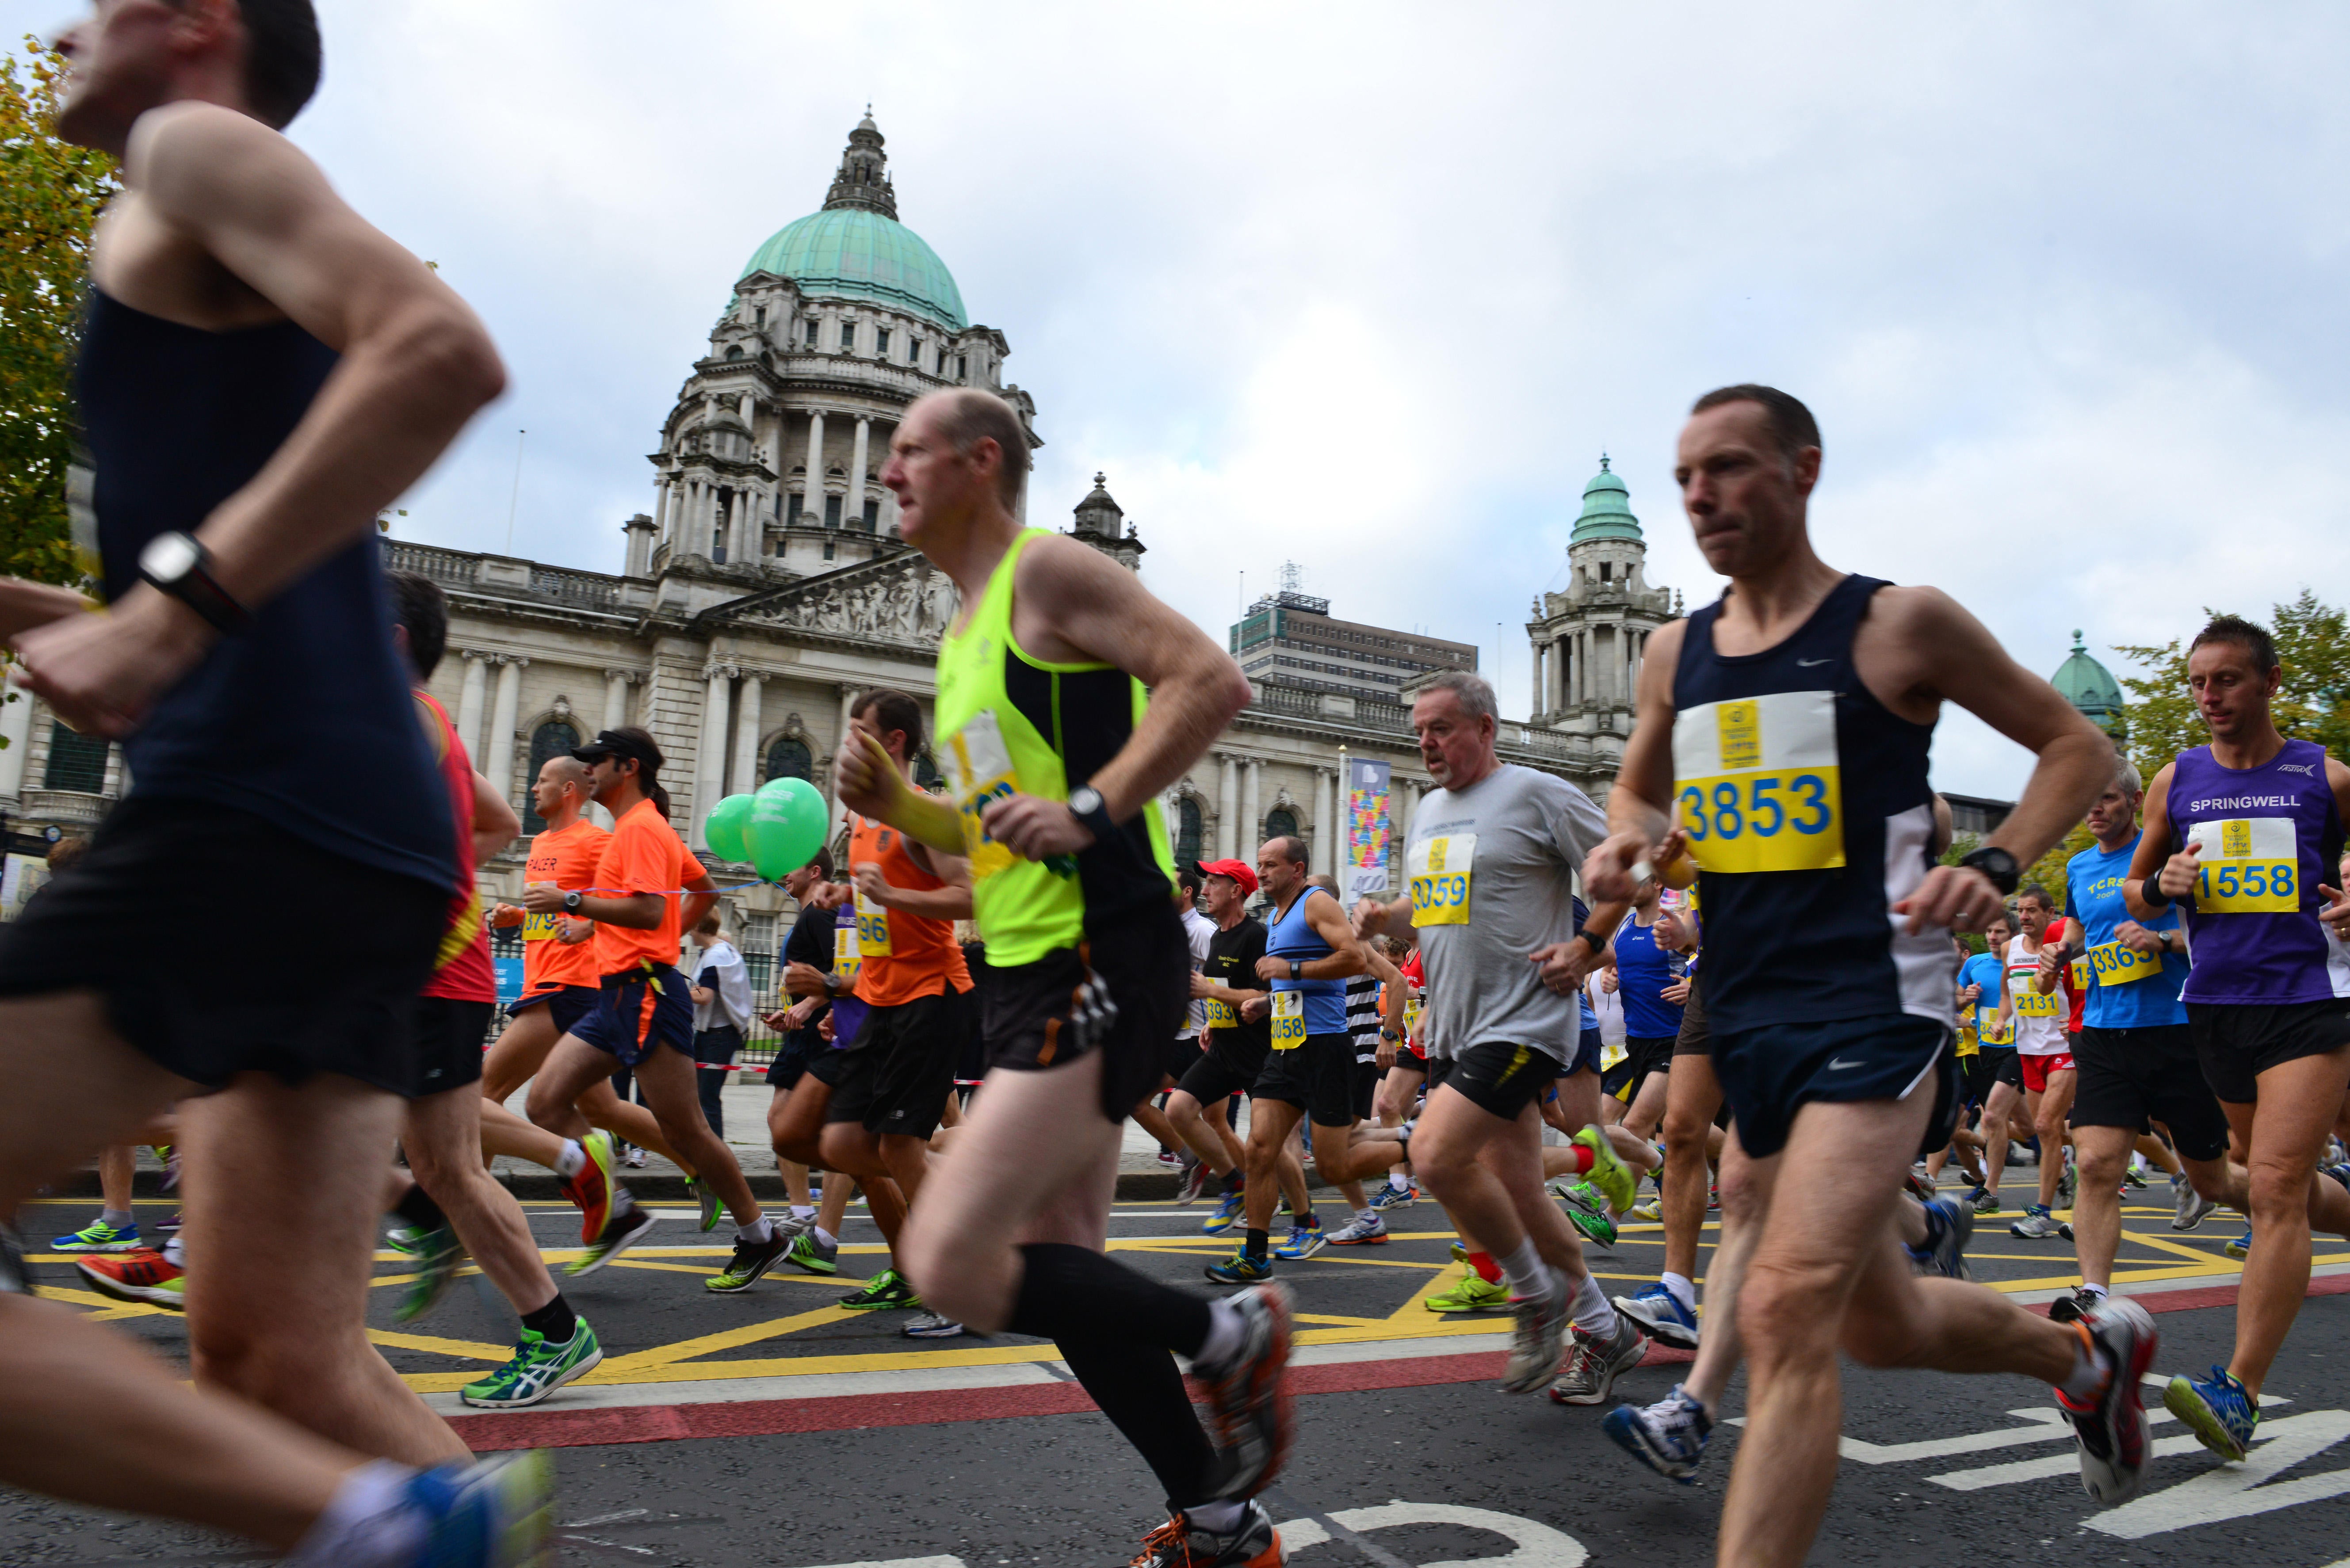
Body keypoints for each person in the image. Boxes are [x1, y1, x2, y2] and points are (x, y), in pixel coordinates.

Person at [0, 0, 548, 1556]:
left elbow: (441, 350)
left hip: (262, 808)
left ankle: (389, 1533)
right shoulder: (169, 215)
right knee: (281, 1357)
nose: (56, 31)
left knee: (286, 1380)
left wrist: (171, 615)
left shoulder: (194, 146)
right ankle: (440, 1525)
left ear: (197, 27)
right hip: (345, 827)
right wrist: (94, 621)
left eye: (99, 7)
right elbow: (234, 578)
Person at [1583, 385, 2155, 1562]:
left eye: (1729, 467)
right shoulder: (1671, 651)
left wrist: (1996, 858)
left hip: (1875, 1002)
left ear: (1803, 470)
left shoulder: (1897, 624)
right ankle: (2080, 1354)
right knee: (1878, 1323)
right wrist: (1627, 835)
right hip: (1741, 1003)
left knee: (1786, 1304)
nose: (1701, 495)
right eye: (1685, 476)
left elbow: (2077, 745)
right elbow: (1637, 784)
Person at [840, 387, 1288, 1568]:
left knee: (948, 1257)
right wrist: (904, 809)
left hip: (1102, 948)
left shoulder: (1051, 573)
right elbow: (993, 828)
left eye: (907, 450)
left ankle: (1226, 1328)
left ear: (981, 463)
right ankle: (1221, 1523)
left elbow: (1209, 680)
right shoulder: (959, 635)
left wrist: (1095, 806)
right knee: (1066, 1269)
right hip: (1025, 963)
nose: (885, 471)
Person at [1353, 670, 1643, 1404]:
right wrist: (1385, 915)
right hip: (1454, 1022)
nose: (1426, 742)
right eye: (1420, 729)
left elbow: (1621, 874)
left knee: (1434, 1153)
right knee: (1521, 1193)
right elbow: (1437, 902)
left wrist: (1586, 945)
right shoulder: (1426, 809)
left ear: (1486, 727)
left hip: (1523, 1018)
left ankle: (1533, 1293)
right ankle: (1607, 1333)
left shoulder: (1540, 794)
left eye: (1441, 727)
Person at [369, 569, 602, 1409]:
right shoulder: (421, 722)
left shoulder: (397, 715)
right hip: (415, 972)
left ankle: (548, 1319)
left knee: (444, 1167)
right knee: (441, 1165)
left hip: (429, 975)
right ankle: (538, 1311)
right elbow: (498, 822)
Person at [2127, 614, 2350, 1459]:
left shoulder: (2324, 777)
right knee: (2266, 1184)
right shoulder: (2174, 778)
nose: (2209, 697)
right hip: (2217, 1004)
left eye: (2225, 680)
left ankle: (2240, 1392)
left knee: (2278, 1190)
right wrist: (2162, 880)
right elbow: (2140, 895)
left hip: (2308, 1001)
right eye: (2197, 682)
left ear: (2270, 682)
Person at [521, 727, 783, 1292]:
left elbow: (644, 911)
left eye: (599, 762)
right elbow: (703, 891)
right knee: (544, 1102)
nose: (588, 770)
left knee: (686, 1129)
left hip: (644, 995)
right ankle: (618, 1211)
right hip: (615, 993)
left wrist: (574, 901)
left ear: (628, 767)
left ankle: (761, 1234)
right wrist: (642, 933)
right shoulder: (639, 829)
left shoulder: (641, 828)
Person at [2049, 761, 2238, 1322]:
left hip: (2174, 1030)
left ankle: (2288, 1212)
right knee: (2098, 1161)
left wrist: (2161, 941)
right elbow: (2080, 932)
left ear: (2134, 801)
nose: (2094, 808)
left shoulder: (2171, 858)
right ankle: (2094, 1294)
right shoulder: (2079, 867)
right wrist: (2059, 952)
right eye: (2088, 799)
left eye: (2106, 798)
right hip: (2106, 1034)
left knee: (2213, 1178)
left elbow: (2216, 932)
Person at [820, 687, 976, 1335]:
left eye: (858, 729)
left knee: (901, 1145)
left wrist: (893, 896)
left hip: (930, 994)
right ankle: (975, 1186)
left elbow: (970, 897)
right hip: (878, 995)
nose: (845, 740)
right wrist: (845, 896)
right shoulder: (859, 820)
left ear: (893, 743)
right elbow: (878, 902)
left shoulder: (925, 813)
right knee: (841, 1142)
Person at [1203, 837, 1374, 1277]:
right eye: (1258, 865)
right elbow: (1287, 983)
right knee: (1260, 1150)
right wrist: (1268, 1001)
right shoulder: (1275, 917)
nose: (1261, 872)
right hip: (1284, 1046)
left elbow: (1354, 959)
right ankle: (1254, 1256)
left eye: (1270, 865)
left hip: (1324, 1048)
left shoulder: (1315, 903)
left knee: (1334, 1165)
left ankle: (1416, 1142)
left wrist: (1290, 971)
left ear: (1296, 869)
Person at [2001, 885, 2080, 1238]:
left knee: (2048, 1125)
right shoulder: (2010, 948)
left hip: (2063, 1048)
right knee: (2044, 1131)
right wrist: (2004, 1016)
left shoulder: (2069, 944)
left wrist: (2078, 1019)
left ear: (2051, 914)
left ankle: (2041, 1212)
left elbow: (2089, 985)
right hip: (2028, 1048)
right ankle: (2082, 1160)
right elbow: (2007, 989)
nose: (2024, 916)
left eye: (2032, 910)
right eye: (2020, 910)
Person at [687, 912, 753, 1139]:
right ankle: (707, 1154)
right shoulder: (714, 952)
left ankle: (714, 1159)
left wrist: (676, 993)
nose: (687, 931)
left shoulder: (716, 955)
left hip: (718, 1035)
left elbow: (705, 996)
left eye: (690, 926)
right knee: (703, 1097)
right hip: (714, 1034)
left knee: (707, 1098)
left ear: (698, 925)